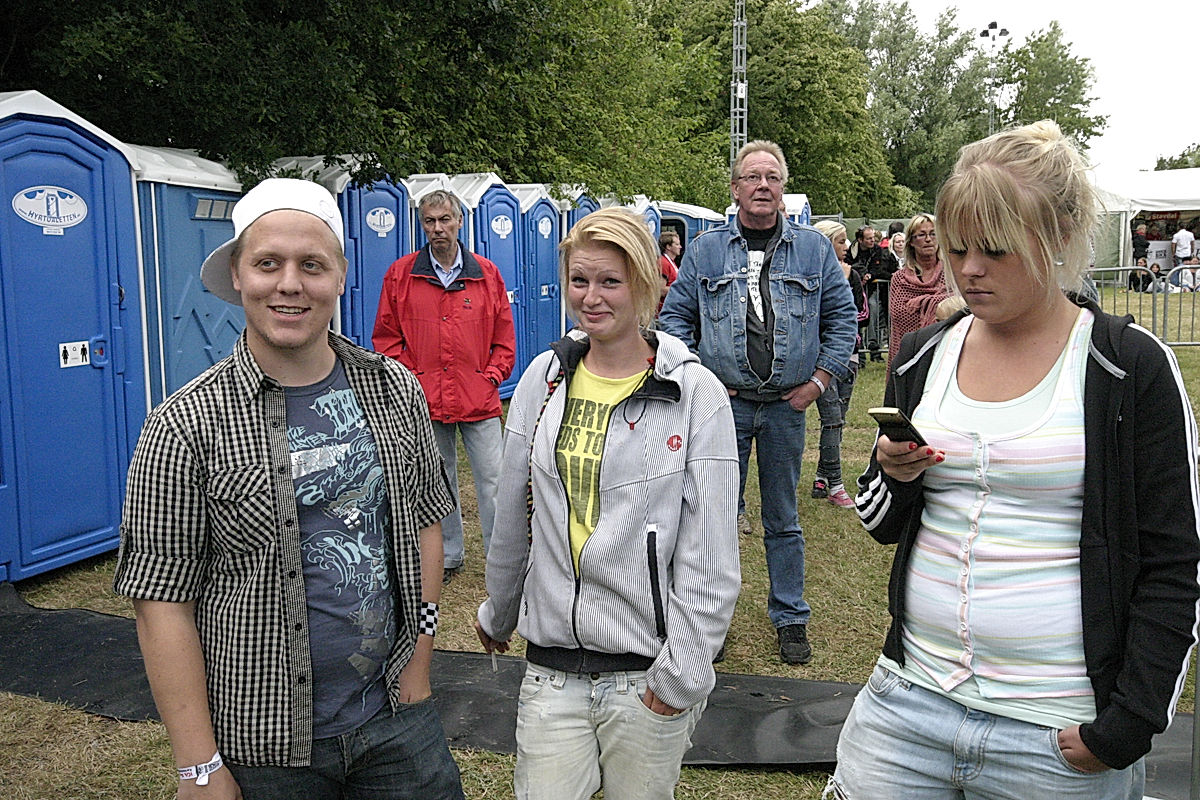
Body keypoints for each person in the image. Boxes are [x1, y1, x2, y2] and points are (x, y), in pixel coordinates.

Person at [828, 121, 1200, 799]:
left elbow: (1177, 563)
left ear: (1058, 235)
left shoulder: (1129, 368)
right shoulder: (923, 358)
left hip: (1056, 729)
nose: (968, 269)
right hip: (908, 705)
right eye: (957, 246)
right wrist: (895, 474)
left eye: (995, 250)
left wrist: (1127, 726)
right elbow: (880, 523)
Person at [114, 178, 465, 799]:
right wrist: (197, 765)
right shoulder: (184, 424)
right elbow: (160, 602)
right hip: (266, 745)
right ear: (239, 275)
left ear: (338, 277)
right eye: (268, 263)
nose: (289, 284)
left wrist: (420, 659)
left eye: (312, 265)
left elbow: (427, 522)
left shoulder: (394, 390)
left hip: (395, 720)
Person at [475, 207, 740, 800]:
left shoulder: (695, 395)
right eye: (579, 280)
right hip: (550, 667)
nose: (591, 297)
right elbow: (515, 513)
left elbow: (711, 550)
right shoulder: (545, 379)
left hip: (642, 672)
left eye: (610, 282)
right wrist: (499, 609)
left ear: (644, 284)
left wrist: (682, 672)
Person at [659, 140, 857, 665]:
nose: (762, 185)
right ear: (735, 188)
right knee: (714, 516)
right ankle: (710, 618)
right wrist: (699, 374)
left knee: (783, 517)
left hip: (786, 408)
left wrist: (817, 382)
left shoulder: (814, 250)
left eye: (772, 177)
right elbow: (674, 321)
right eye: (752, 177)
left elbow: (842, 320)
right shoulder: (704, 251)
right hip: (725, 408)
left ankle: (790, 618)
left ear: (783, 188)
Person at [373, 189, 516, 585]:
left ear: (459, 221)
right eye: (429, 222)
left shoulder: (487, 273)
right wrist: (412, 381)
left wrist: (491, 376)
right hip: (426, 399)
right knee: (439, 480)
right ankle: (449, 554)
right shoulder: (401, 274)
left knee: (494, 481)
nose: (437, 229)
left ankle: (500, 561)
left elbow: (504, 336)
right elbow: (387, 337)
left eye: (444, 220)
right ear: (422, 225)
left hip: (479, 397)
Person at [810, 220, 864, 508]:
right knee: (831, 420)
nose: (845, 246)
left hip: (849, 356)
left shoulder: (851, 274)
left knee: (838, 421)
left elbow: (862, 313)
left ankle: (822, 475)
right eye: (841, 241)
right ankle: (837, 485)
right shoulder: (809, 275)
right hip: (821, 359)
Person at [887, 212, 950, 365]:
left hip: (944, 355)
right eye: (922, 235)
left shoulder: (950, 275)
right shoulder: (899, 279)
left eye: (933, 234)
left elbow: (958, 308)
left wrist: (923, 301)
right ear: (911, 242)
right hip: (908, 357)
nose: (928, 239)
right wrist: (935, 305)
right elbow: (898, 316)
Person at [658, 230, 682, 312]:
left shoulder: (672, 263)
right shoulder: (663, 263)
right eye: (677, 244)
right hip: (664, 312)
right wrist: (681, 288)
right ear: (668, 246)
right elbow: (661, 290)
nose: (680, 247)